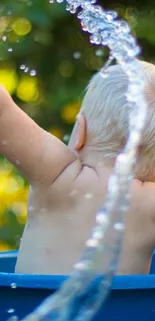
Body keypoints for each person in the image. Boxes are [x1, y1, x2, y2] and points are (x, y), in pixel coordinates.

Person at [0, 60, 155, 275]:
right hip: (123, 309)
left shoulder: (58, 175)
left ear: (80, 133)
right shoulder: (150, 204)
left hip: (29, 305)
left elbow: (2, 112)